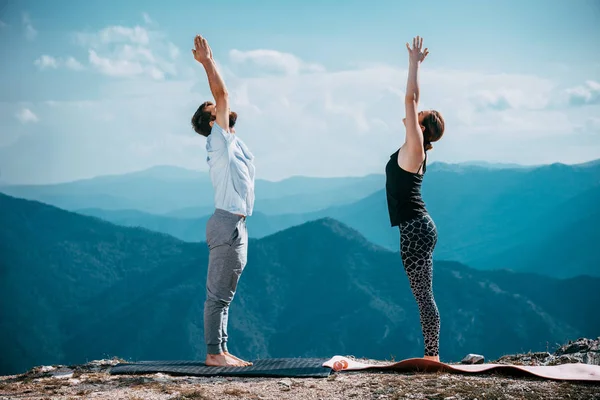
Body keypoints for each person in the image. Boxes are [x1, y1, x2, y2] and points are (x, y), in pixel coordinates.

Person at [191, 34, 255, 367]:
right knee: (217, 295)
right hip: (227, 224)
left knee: (225, 295)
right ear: (211, 121)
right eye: (212, 109)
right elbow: (223, 93)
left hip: (235, 224)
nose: (219, 106)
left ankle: (223, 350)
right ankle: (214, 353)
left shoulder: (229, 141)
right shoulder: (219, 141)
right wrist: (208, 62)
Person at [385, 36, 446, 362]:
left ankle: (433, 357)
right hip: (419, 228)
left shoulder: (416, 146)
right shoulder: (415, 149)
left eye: (418, 114)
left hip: (414, 230)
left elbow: (409, 97)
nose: (412, 112)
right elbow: (413, 101)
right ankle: (432, 354)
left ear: (421, 127)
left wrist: (412, 64)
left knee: (423, 296)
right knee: (424, 295)